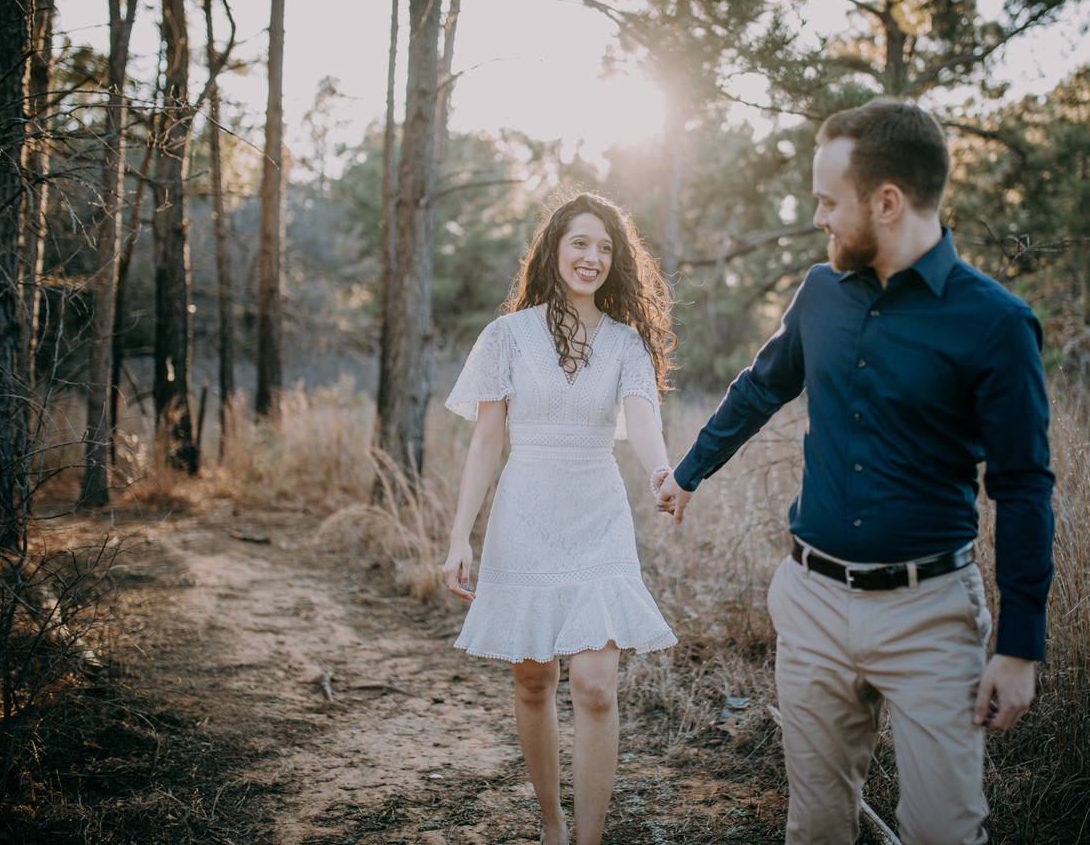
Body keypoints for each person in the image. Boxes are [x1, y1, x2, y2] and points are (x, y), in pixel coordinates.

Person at [656, 98, 1055, 845]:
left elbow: (1025, 485)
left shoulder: (996, 324)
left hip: (931, 614)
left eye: (827, 201)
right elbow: (762, 385)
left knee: (944, 831)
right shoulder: (820, 293)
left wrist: (1021, 643)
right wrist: (689, 472)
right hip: (810, 603)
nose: (818, 218)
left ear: (888, 202)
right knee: (816, 830)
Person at [440, 192, 677, 845]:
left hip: (598, 515)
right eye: (580, 243)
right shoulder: (506, 337)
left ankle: (589, 839)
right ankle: (551, 825)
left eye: (605, 248)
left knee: (596, 686)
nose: (592, 257)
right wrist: (462, 535)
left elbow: (645, 423)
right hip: (525, 514)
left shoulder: (628, 344)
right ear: (553, 250)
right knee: (533, 678)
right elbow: (487, 441)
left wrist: (663, 475)